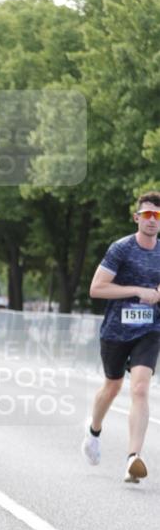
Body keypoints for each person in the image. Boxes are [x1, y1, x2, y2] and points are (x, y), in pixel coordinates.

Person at [82, 191, 160, 482]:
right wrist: (137, 290)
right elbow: (96, 288)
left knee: (140, 388)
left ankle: (133, 459)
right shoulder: (121, 248)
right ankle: (94, 430)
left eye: (157, 216)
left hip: (150, 330)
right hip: (116, 330)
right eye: (147, 214)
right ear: (137, 218)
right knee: (112, 386)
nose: (152, 220)